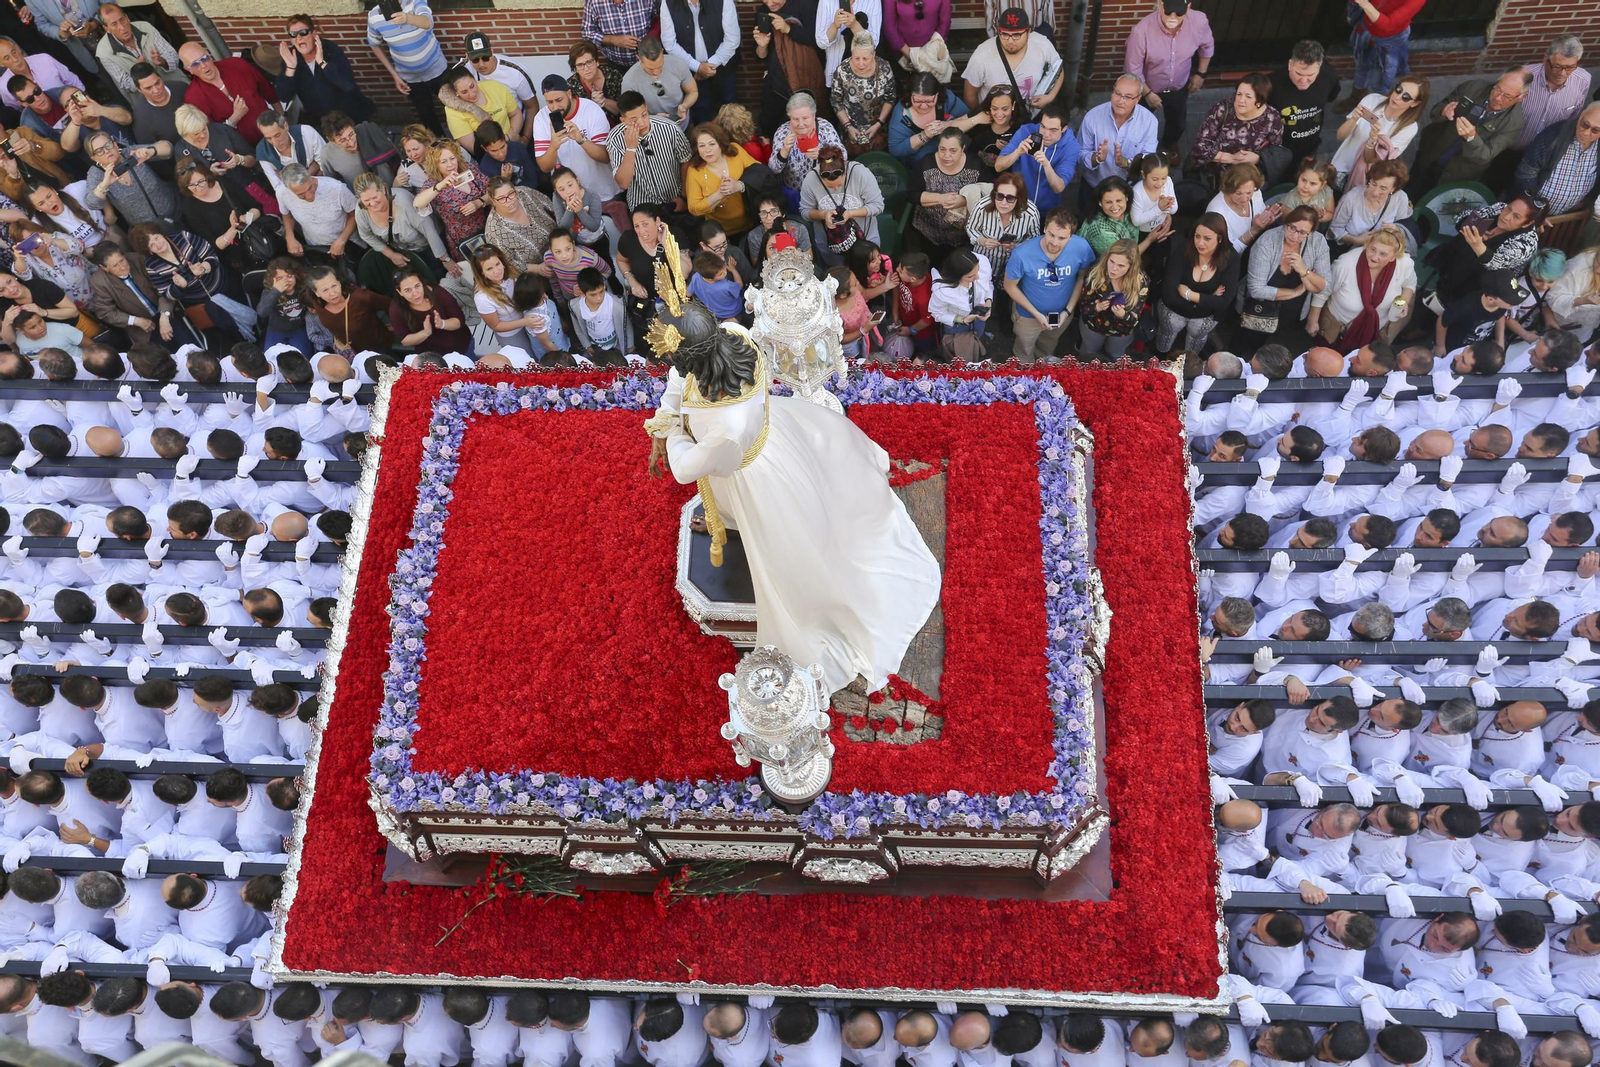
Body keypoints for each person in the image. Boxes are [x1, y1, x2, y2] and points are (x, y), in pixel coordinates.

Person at [644, 289, 941, 693]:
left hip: (755, 479)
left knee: (791, 556)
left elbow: (683, 469)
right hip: (774, 441)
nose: (674, 369)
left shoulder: (727, 430)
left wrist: (672, 430)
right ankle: (728, 523)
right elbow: (679, 382)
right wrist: (666, 414)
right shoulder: (732, 335)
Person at [128, 222, 256, 341]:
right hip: (204, 303)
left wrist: (203, 268)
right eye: (151, 245)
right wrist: (180, 286)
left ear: (161, 233)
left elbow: (211, 255)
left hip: (224, 286)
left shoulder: (183, 237)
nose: (158, 244)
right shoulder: (151, 265)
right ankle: (245, 343)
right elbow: (166, 293)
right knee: (228, 326)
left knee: (248, 313)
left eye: (156, 238)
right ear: (148, 251)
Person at [1410, 68, 1532, 191]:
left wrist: (1471, 137)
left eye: (1507, 96)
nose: (1498, 98)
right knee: (1410, 187)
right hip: (1430, 153)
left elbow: (1485, 157)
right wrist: (1444, 110)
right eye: (1498, 89)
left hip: (1455, 176)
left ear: (1522, 97)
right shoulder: (1473, 87)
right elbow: (1435, 113)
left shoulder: (1514, 123)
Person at [1004, 205, 1094, 364]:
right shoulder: (1022, 254)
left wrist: (1067, 311)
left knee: (1047, 347)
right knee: (1024, 350)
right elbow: (1010, 286)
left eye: (1062, 238)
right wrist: (1036, 314)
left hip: (1061, 315)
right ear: (1044, 228)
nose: (1054, 242)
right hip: (1028, 316)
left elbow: (1082, 278)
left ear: (1071, 237)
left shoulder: (1081, 247)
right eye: (1051, 234)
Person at [1124, 0, 1214, 154]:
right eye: (1168, 11)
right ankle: (1137, 152)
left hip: (1179, 86)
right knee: (1137, 124)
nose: (1173, 17)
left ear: (1188, 7)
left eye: (1179, 12)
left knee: (1178, 124)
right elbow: (1133, 69)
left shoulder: (1199, 21)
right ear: (1160, 5)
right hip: (1147, 87)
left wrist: (1200, 74)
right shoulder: (1142, 30)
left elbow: (1207, 46)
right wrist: (1147, 93)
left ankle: (1168, 146)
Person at [1426, 196, 1544, 309]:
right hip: (1453, 267)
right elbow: (1462, 217)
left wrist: (1477, 245)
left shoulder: (1527, 242)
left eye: (1516, 217)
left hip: (1479, 290)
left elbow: (1496, 265)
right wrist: (1474, 230)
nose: (1506, 216)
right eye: (1509, 208)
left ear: (1527, 223)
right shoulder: (1500, 208)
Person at [1308, 223, 1413, 349]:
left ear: (1393, 257)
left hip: (1373, 335)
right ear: (1367, 245)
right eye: (1372, 249)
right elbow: (1323, 291)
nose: (1374, 257)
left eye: (1383, 254)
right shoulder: (1345, 263)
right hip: (1336, 332)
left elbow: (1410, 283)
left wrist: (1404, 300)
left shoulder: (1404, 264)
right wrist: (1312, 321)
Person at [1239, 205, 1330, 348]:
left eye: (1302, 232)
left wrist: (1304, 270)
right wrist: (1295, 292)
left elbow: (1324, 286)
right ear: (1286, 223)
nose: (1294, 236)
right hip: (1259, 313)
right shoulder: (1267, 242)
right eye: (1291, 227)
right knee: (1247, 348)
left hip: (1294, 314)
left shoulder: (1318, 242)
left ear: (1311, 233)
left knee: (1279, 353)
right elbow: (1256, 289)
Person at [172, 104, 274, 218]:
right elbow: (189, 185)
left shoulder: (222, 130)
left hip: (247, 187)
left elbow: (253, 158)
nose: (202, 135)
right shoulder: (181, 151)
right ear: (184, 132)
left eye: (204, 128)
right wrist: (210, 174)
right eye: (196, 133)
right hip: (223, 201)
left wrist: (239, 159)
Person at [533, 74, 621, 206]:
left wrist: (581, 140)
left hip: (604, 192)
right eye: (549, 102)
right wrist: (553, 146)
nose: (555, 107)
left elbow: (606, 157)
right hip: (571, 198)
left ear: (569, 94)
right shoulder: (541, 118)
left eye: (558, 100)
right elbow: (545, 167)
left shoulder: (590, 109)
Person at [1155, 211, 1236, 354]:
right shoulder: (1183, 250)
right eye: (1197, 236)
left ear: (1220, 239)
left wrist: (1189, 294)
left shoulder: (1230, 258)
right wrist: (1208, 299)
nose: (1200, 243)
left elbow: (1224, 301)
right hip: (1176, 311)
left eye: (1207, 238)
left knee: (1194, 348)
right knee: (1164, 339)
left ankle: (1189, 368)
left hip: (1204, 318)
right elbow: (1168, 293)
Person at [274, 14, 373, 128]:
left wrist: (322, 63)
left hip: (350, 115)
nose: (299, 38)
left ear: (314, 34)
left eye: (303, 32)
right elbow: (284, 96)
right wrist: (291, 68)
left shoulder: (329, 50)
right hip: (322, 122)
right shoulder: (291, 58)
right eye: (293, 34)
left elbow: (348, 85)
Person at [1329, 75, 1428, 188]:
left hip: (1362, 179)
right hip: (1339, 168)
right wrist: (1353, 119)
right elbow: (1340, 135)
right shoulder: (1372, 100)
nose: (1397, 97)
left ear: (1415, 103)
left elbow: (1372, 160)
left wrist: (1373, 139)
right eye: (1398, 90)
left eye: (1406, 97)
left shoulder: (1409, 128)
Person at [353, 171, 453, 282]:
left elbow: (429, 231)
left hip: (429, 248)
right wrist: (391, 255)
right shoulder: (361, 210)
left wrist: (446, 260)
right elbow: (366, 235)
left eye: (374, 197)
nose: (372, 203)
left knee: (440, 280)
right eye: (366, 200)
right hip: (403, 253)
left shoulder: (403, 202)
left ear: (383, 189)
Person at [1191, 72, 1285, 191]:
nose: (1241, 100)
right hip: (1220, 177)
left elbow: (1275, 151)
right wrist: (1231, 158)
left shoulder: (1272, 117)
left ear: (1260, 100)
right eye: (1239, 94)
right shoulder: (1222, 110)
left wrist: (1258, 158)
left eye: (1248, 97)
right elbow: (1199, 149)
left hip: (1251, 178)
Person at [366, 0, 449, 131]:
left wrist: (407, 18)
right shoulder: (374, 16)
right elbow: (374, 44)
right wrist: (395, 75)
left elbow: (428, 22)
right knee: (426, 114)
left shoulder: (415, 3)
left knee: (453, 106)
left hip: (437, 70)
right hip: (410, 78)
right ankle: (439, 145)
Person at [961, 7, 1061, 114]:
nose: (1010, 41)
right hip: (995, 122)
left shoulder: (1041, 44)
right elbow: (970, 94)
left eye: (1016, 35)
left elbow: (1058, 69)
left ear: (1028, 32)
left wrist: (1050, 97)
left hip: (1029, 117)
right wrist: (982, 118)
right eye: (1004, 34)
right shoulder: (982, 55)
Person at [607, 89, 693, 212]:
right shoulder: (615, 138)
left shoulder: (669, 128)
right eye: (634, 120)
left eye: (644, 115)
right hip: (642, 206)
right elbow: (623, 183)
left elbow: (686, 161)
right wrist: (631, 148)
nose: (641, 123)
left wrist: (683, 197)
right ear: (623, 120)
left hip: (675, 197)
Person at [966, 170, 1037, 318]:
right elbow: (970, 228)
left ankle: (1003, 317)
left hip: (1012, 262)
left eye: (1010, 198)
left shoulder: (1030, 213)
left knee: (1007, 294)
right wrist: (982, 240)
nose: (1003, 202)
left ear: (1019, 198)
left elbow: (1034, 239)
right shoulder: (982, 207)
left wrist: (1017, 247)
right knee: (981, 290)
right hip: (985, 259)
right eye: (999, 196)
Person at [176, 43, 276, 147]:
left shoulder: (237, 65)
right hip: (245, 149)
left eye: (204, 58)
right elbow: (211, 135)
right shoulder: (193, 97)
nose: (203, 66)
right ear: (189, 69)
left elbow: (269, 92)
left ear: (209, 55)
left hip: (273, 132)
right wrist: (234, 118)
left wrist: (283, 116)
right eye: (195, 64)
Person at [752, 0, 828, 137]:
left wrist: (788, 29)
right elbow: (759, 57)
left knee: (812, 120)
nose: (769, 3)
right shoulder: (763, 12)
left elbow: (818, 39)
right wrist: (762, 46)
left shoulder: (805, 5)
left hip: (806, 77)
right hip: (777, 79)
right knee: (768, 121)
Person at [800, 142, 883, 266]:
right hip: (831, 244)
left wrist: (851, 214)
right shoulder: (811, 179)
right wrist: (824, 214)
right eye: (830, 186)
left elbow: (878, 206)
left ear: (845, 171)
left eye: (839, 185)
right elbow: (805, 211)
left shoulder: (860, 173)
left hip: (865, 241)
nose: (835, 189)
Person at [1510, 102, 1600, 217]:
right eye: (1584, 124)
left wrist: (1584, 203)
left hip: (1565, 217)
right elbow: (1525, 174)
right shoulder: (1554, 135)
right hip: (1529, 213)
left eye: (1595, 130)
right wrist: (1536, 210)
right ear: (1581, 115)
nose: (1586, 132)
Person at [174, 162, 264, 274]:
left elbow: (256, 207)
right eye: (191, 185)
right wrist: (232, 229)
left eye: (201, 181)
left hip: (259, 242)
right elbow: (214, 245)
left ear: (207, 176)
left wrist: (246, 218)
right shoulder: (190, 208)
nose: (198, 188)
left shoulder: (224, 183)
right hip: (237, 256)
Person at [656, 0, 738, 124]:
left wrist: (708, 66)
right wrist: (697, 67)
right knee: (701, 112)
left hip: (722, 67)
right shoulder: (668, 3)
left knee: (731, 111)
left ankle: (733, 142)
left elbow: (732, 39)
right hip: (692, 73)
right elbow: (669, 43)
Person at [412, 139, 491, 262]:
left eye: (452, 158)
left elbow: (493, 191)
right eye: (443, 162)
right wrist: (441, 185)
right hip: (464, 242)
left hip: (488, 230)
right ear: (436, 164)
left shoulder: (468, 168)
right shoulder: (432, 183)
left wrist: (479, 202)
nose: (450, 164)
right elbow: (418, 203)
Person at [1077, 74, 1159, 193]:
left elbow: (1148, 161)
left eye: (1128, 97)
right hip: (1095, 186)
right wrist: (1096, 158)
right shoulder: (1092, 117)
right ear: (1112, 92)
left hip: (1129, 187)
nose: (1120, 101)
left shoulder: (1149, 122)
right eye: (1118, 94)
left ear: (1138, 99)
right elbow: (1079, 154)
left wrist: (1126, 163)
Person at [86, 240, 174, 345]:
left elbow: (163, 287)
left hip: (167, 312)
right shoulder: (100, 281)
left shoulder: (137, 259)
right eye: (115, 266)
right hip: (142, 329)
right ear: (104, 268)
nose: (122, 267)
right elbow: (105, 312)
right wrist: (136, 321)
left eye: (122, 260)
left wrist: (164, 316)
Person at [996, 101, 1077, 213]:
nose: (1046, 134)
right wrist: (1017, 152)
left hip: (1046, 211)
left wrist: (1046, 164)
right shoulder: (1025, 131)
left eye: (1053, 130)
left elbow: (1059, 187)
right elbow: (998, 166)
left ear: (1064, 129)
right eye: (1043, 127)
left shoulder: (1071, 146)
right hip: (1017, 205)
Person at [768, 91, 843, 212]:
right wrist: (784, 151)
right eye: (795, 119)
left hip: (823, 191)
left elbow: (843, 158)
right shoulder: (782, 132)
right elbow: (773, 169)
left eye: (805, 118)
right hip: (794, 194)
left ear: (814, 115)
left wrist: (823, 156)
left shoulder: (824, 127)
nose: (800, 124)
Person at [95, 3, 182, 104]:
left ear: (127, 18)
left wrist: (162, 61)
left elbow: (174, 56)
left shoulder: (145, 27)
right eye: (114, 24)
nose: (122, 27)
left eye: (122, 20)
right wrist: (139, 70)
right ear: (107, 29)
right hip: (149, 101)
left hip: (175, 84)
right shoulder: (104, 53)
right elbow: (126, 85)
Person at [1515, 37, 1592, 152]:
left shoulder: (1583, 80)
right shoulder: (1521, 76)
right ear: (1546, 58)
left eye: (1570, 67)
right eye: (1557, 66)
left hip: (1547, 152)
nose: (1562, 73)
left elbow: (1573, 118)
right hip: (1512, 149)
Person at [84, 133, 176, 229]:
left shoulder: (130, 153)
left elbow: (168, 148)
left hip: (174, 210)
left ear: (115, 144)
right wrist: (104, 185)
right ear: (94, 158)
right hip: (147, 229)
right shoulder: (97, 173)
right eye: (99, 151)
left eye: (108, 145)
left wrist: (152, 151)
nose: (107, 151)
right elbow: (92, 203)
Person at [1076, 238, 1147, 359]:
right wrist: (1096, 307)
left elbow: (1135, 319)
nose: (1114, 269)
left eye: (1121, 265)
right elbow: (1082, 309)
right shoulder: (1094, 275)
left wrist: (1123, 315)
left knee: (1115, 356)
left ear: (1131, 266)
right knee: (1088, 355)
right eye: (1112, 261)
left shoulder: (1140, 282)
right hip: (1094, 326)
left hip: (1121, 331)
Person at [276, 161, 358, 263]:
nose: (310, 196)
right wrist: (290, 237)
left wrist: (342, 240)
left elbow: (355, 214)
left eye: (310, 187)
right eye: (301, 194)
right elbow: (287, 214)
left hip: (348, 244)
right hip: (316, 248)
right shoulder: (281, 193)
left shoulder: (336, 188)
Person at [685, 122, 757, 238]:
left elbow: (759, 173)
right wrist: (719, 194)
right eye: (701, 145)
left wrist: (740, 185)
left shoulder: (735, 151)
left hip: (751, 224)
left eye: (712, 144)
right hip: (720, 234)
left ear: (721, 144)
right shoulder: (694, 171)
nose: (707, 150)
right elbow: (693, 208)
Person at [1271, 40, 1342, 159]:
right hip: (1279, 150)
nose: (1303, 81)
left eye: (1310, 75)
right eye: (1298, 74)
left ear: (1319, 67)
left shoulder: (1329, 76)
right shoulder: (1271, 84)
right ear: (1290, 65)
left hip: (1311, 147)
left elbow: (1331, 96)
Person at [908, 129, 975, 252]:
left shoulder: (975, 166)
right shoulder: (926, 163)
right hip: (926, 232)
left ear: (963, 149)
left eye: (953, 151)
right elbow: (912, 194)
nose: (946, 155)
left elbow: (987, 195)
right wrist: (940, 198)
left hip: (963, 237)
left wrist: (964, 200)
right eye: (942, 149)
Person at [1347, 0, 1424, 106]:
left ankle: (1378, 109)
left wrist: (1364, 4)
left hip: (1387, 43)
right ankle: (1356, 99)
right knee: (1361, 67)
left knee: (1378, 82)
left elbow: (1388, 24)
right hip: (1367, 32)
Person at [830, 34, 895, 157]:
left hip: (878, 129)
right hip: (850, 130)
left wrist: (879, 124)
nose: (860, 64)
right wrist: (848, 127)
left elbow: (890, 98)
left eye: (865, 59)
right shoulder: (842, 71)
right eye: (856, 58)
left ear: (873, 54)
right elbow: (836, 101)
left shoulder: (884, 68)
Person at [309, 262, 392, 355]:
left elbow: (389, 304)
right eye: (325, 290)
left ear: (339, 282)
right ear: (316, 293)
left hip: (377, 349)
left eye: (334, 286)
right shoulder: (318, 302)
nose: (332, 293)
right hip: (349, 353)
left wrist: (397, 325)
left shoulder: (360, 297)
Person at [390, 262, 472, 354]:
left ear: (422, 283)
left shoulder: (439, 293)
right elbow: (405, 340)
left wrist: (442, 324)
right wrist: (425, 333)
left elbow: (459, 321)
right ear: (399, 292)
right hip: (431, 356)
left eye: (417, 286)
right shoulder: (396, 308)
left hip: (461, 347)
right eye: (407, 290)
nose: (415, 293)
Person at [481, 176, 557, 274]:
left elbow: (551, 206)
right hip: (539, 273)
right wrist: (537, 269)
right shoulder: (494, 231)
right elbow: (507, 263)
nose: (509, 201)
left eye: (511, 194)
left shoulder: (524, 193)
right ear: (492, 200)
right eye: (501, 199)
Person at [620, 36, 697, 132]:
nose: (656, 72)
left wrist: (684, 106)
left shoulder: (678, 64)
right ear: (639, 58)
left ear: (662, 52)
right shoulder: (629, 81)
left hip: (683, 126)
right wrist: (652, 118)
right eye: (650, 69)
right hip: (652, 131)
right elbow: (630, 114)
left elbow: (692, 91)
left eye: (660, 66)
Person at [1329, 159, 1412, 247]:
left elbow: (1402, 226)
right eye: (1373, 184)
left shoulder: (1400, 198)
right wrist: (1356, 240)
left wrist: (1396, 228)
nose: (1375, 192)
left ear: (1393, 189)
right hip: (1351, 249)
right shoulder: (1352, 197)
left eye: (1383, 188)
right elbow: (1334, 230)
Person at [1436, 269, 1520, 356]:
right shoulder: (1466, 307)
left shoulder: (1501, 305)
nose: (1514, 302)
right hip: (1453, 348)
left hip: (1474, 348)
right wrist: (1440, 346)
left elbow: (1499, 316)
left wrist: (1500, 340)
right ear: (1490, 299)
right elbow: (1443, 321)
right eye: (1510, 300)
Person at [440, 65, 522, 155]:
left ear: (475, 80)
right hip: (489, 155)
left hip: (513, 145)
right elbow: (475, 149)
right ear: (456, 93)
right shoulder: (452, 112)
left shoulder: (494, 86)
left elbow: (515, 114)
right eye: (464, 92)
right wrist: (507, 138)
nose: (471, 94)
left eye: (472, 86)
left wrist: (513, 135)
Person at [470, 243, 536, 352]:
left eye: (497, 264)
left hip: (528, 320)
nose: (497, 271)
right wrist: (524, 322)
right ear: (481, 272)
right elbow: (496, 325)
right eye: (489, 269)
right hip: (511, 334)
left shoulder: (510, 272)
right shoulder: (482, 298)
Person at [460, 33, 541, 122]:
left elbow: (532, 107)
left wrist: (525, 136)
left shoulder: (515, 72)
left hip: (514, 123)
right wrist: (472, 108)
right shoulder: (463, 69)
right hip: (482, 126)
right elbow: (443, 92)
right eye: (475, 60)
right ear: (467, 57)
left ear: (492, 51)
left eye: (486, 58)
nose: (481, 64)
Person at [1205, 162, 1279, 254]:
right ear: (1228, 188)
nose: (1244, 199)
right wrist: (1254, 230)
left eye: (1249, 193)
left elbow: (1260, 221)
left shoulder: (1256, 193)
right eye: (1238, 193)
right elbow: (1227, 253)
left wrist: (1266, 222)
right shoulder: (1216, 212)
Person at [1082, 176, 1164, 258]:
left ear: (1126, 198)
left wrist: (1166, 215)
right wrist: (1149, 240)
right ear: (1100, 202)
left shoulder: (1133, 205)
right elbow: (1125, 258)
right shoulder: (1101, 232)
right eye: (1108, 202)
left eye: (1118, 200)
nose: (1114, 207)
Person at [551, 165, 622, 261]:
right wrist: (570, 209)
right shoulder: (557, 198)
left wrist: (580, 211)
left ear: (577, 180)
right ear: (556, 191)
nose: (568, 191)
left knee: (606, 264)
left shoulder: (592, 196)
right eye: (561, 189)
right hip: (577, 242)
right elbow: (563, 228)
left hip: (598, 238)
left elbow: (594, 227)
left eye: (570, 185)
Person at [0, 35, 83, 113]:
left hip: (76, 106)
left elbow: (72, 81)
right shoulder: (4, 87)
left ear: (18, 48)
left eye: (13, 51)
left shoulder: (44, 59)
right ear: (1, 64)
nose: (15, 59)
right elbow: (19, 110)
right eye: (7, 58)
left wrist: (83, 103)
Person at [318, 110, 399, 189]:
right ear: (332, 141)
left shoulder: (370, 133)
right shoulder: (327, 154)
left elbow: (395, 157)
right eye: (343, 140)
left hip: (392, 188)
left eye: (351, 134)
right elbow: (333, 184)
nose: (351, 143)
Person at [569, 265, 629, 364]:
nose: (599, 298)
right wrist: (587, 345)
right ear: (582, 293)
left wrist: (629, 346)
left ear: (604, 285)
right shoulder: (575, 306)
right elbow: (578, 328)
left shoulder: (617, 304)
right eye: (593, 294)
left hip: (615, 345)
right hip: (595, 346)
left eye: (601, 292)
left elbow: (626, 326)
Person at [256, 256, 312, 355]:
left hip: (299, 330)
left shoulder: (302, 288)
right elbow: (262, 312)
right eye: (279, 278)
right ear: (272, 280)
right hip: (276, 331)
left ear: (296, 275)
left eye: (289, 276)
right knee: (271, 358)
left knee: (303, 358)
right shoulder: (269, 292)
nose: (285, 281)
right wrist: (275, 291)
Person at [584, 0, 656, 69]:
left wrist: (649, 41)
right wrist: (613, 40)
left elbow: (659, 22)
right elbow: (587, 33)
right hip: (616, 63)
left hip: (648, 60)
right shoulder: (593, 2)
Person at [543, 227, 611, 300]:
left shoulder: (590, 258)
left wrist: (588, 286)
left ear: (573, 244)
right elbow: (553, 278)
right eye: (558, 252)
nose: (564, 256)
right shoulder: (549, 258)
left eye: (568, 249)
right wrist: (558, 298)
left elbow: (607, 271)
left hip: (590, 297)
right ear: (551, 250)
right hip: (567, 296)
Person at [1545, 247, 1600, 336]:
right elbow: (1553, 297)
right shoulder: (1578, 268)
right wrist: (1581, 301)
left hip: (1585, 329)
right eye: (1598, 262)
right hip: (1559, 325)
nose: (1598, 270)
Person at [744, 193, 812, 264]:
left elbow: (809, 258)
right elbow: (757, 264)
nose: (769, 218)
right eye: (763, 213)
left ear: (783, 214)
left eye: (774, 211)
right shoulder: (754, 236)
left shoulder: (799, 229)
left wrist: (795, 255)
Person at [566, 39, 624, 121]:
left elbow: (626, 109)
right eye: (580, 65)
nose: (586, 68)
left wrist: (604, 101)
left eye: (589, 62)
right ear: (575, 68)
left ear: (597, 62)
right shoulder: (570, 86)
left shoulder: (613, 76)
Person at [971, 87, 1023, 177]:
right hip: (979, 178)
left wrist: (1009, 150)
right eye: (995, 109)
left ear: (1013, 106)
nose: (999, 114)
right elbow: (954, 127)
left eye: (1005, 109)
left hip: (1007, 181)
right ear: (990, 107)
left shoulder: (1021, 127)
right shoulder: (982, 119)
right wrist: (974, 120)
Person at [883, 0, 949, 64]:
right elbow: (889, 27)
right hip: (903, 55)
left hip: (934, 52)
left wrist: (930, 54)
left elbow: (945, 22)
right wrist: (911, 56)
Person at [828, 263, 871, 358]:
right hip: (850, 346)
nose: (858, 283)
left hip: (865, 329)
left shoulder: (853, 292)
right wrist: (863, 330)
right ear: (843, 295)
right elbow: (841, 338)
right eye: (855, 284)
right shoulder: (835, 314)